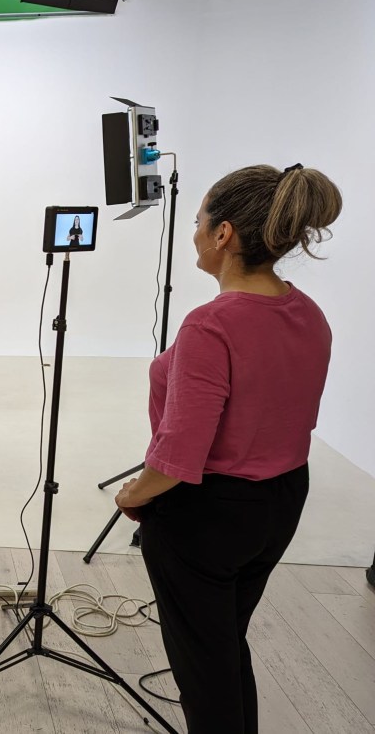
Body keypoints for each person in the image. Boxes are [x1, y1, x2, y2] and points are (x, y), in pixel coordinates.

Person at [115, 163, 341, 733]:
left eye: (199, 222)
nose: (194, 231)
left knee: (205, 671)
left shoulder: (211, 326)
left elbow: (179, 454)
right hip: (283, 500)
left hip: (207, 515)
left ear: (224, 234)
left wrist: (133, 496)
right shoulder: (308, 313)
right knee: (222, 647)